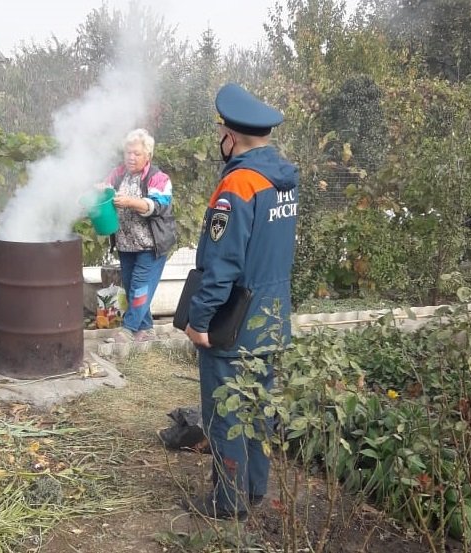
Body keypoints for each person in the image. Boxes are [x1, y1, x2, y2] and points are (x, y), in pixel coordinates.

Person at [183, 83, 299, 520]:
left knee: (227, 413)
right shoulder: (283, 179)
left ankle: (226, 504)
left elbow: (223, 264)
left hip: (232, 323)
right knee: (258, 408)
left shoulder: (238, 185)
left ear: (229, 137)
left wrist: (199, 320)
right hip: (270, 319)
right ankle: (252, 490)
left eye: (220, 135)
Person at [102, 128, 177, 343]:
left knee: (140, 287)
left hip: (150, 245)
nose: (131, 157)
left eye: (136, 153)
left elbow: (158, 205)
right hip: (126, 244)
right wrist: (99, 190)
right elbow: (105, 188)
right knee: (130, 285)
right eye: (128, 153)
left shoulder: (158, 178)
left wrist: (130, 202)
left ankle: (128, 329)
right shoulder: (118, 174)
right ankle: (147, 330)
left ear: (148, 156)